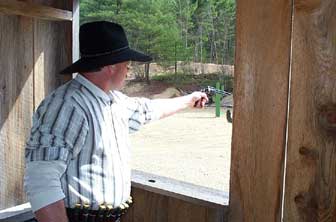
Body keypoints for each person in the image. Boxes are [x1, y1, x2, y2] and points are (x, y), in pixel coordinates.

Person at [24, 21, 208, 222]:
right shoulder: (66, 105)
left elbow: (148, 110)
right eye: (127, 64)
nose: (128, 71)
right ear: (111, 65)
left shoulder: (114, 101)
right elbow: (41, 180)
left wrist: (188, 100)